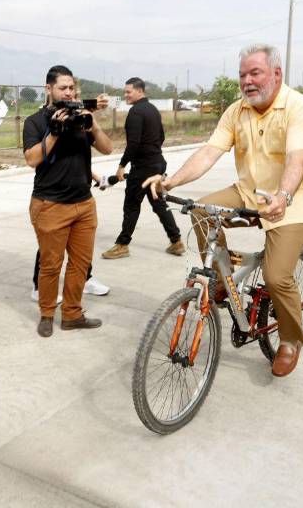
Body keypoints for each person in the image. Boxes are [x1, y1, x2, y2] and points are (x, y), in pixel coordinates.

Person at [144, 43, 303, 378]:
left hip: (292, 203)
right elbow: (210, 151)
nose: (247, 81)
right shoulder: (236, 111)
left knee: (276, 275)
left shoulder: (299, 107)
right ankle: (223, 279)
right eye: (242, 74)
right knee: (200, 211)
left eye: (255, 72)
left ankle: (289, 340)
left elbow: (296, 160)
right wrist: (172, 182)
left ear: (276, 74)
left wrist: (283, 196)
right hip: (248, 193)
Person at [23, 65, 113, 337]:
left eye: (71, 87)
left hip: (84, 203)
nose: (68, 92)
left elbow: (108, 148)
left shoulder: (81, 120)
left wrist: (92, 122)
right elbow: (32, 160)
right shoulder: (35, 122)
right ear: (48, 89)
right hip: (50, 204)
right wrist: (54, 132)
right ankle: (47, 314)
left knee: (81, 264)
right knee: (51, 265)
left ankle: (72, 314)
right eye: (63, 87)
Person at [102, 77, 185, 259]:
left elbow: (133, 144)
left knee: (131, 205)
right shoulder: (153, 110)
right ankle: (176, 241)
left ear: (140, 91)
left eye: (128, 92)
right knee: (159, 204)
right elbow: (161, 136)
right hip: (157, 163)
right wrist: (152, 151)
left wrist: (122, 165)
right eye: (125, 92)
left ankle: (122, 245)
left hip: (142, 168)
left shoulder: (136, 112)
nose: (126, 95)